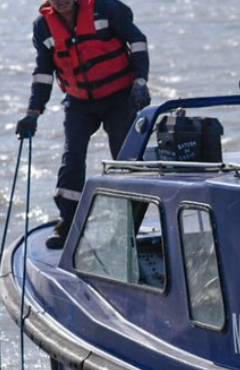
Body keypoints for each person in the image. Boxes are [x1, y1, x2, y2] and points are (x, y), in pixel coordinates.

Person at [15, 0, 151, 250]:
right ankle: (67, 224)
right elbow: (43, 72)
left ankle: (129, 226)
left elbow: (138, 41)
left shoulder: (107, 9)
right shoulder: (43, 27)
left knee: (125, 163)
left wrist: (140, 82)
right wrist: (33, 113)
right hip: (79, 103)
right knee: (72, 159)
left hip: (119, 98)